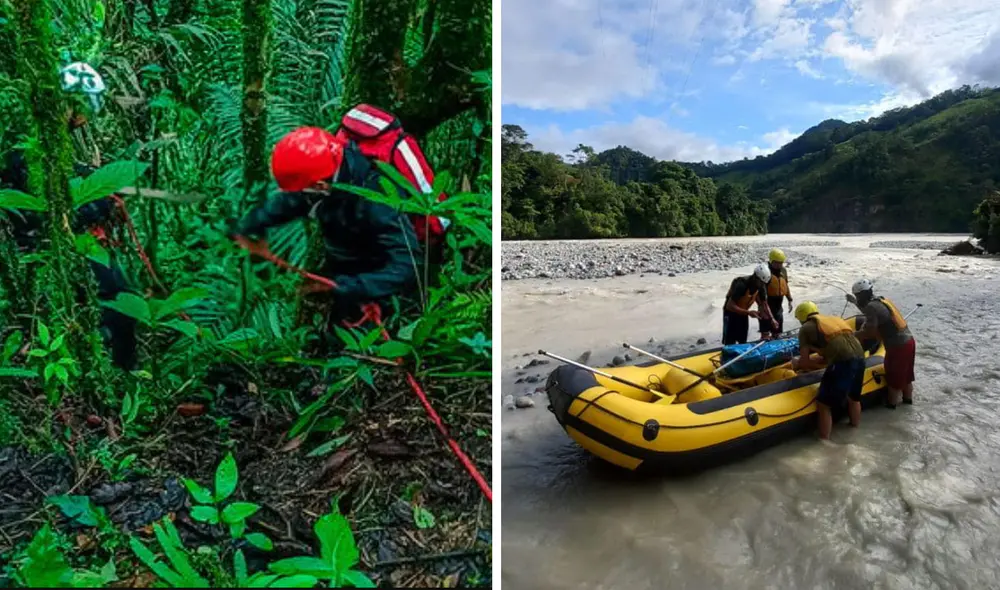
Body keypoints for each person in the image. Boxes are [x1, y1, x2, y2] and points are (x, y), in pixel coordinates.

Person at [0, 62, 138, 370]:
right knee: (118, 298)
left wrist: (97, 179)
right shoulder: (29, 145)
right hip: (41, 249)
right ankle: (120, 374)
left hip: (53, 243)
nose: (84, 120)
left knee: (117, 296)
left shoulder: (41, 134)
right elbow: (46, 212)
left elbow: (64, 178)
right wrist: (101, 204)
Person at [230, 126, 421, 334]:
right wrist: (250, 227)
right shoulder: (328, 171)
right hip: (344, 274)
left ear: (320, 186)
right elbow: (291, 201)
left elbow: (408, 264)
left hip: (380, 287)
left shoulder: (378, 201)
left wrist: (351, 287)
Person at [791, 301, 866, 440]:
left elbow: (806, 363)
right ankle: (855, 429)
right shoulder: (834, 320)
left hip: (842, 362)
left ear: (801, 318)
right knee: (854, 398)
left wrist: (797, 363)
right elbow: (834, 348)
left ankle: (824, 439)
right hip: (860, 357)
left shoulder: (805, 328)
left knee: (823, 404)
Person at [846, 278, 916, 408]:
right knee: (906, 377)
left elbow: (870, 332)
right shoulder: (880, 300)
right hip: (908, 342)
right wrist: (855, 303)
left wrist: (853, 336)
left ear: (860, 295)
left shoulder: (872, 306)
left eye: (857, 296)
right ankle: (907, 402)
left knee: (893, 380)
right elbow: (873, 314)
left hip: (898, 346)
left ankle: (891, 407)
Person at [722, 263, 778, 345]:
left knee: (742, 339)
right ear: (755, 277)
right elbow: (729, 306)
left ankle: (741, 354)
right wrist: (748, 313)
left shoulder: (761, 286)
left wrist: (772, 319)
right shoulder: (741, 284)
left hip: (743, 313)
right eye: (761, 282)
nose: (762, 285)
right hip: (731, 314)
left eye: (764, 283)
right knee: (730, 340)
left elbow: (764, 304)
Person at [759, 248, 793, 339]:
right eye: (776, 262)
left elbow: (785, 285)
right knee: (765, 334)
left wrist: (789, 300)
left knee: (777, 333)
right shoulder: (765, 272)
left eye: (781, 263)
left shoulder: (783, 271)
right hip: (766, 305)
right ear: (771, 261)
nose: (779, 265)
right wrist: (770, 317)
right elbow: (762, 295)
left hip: (778, 306)